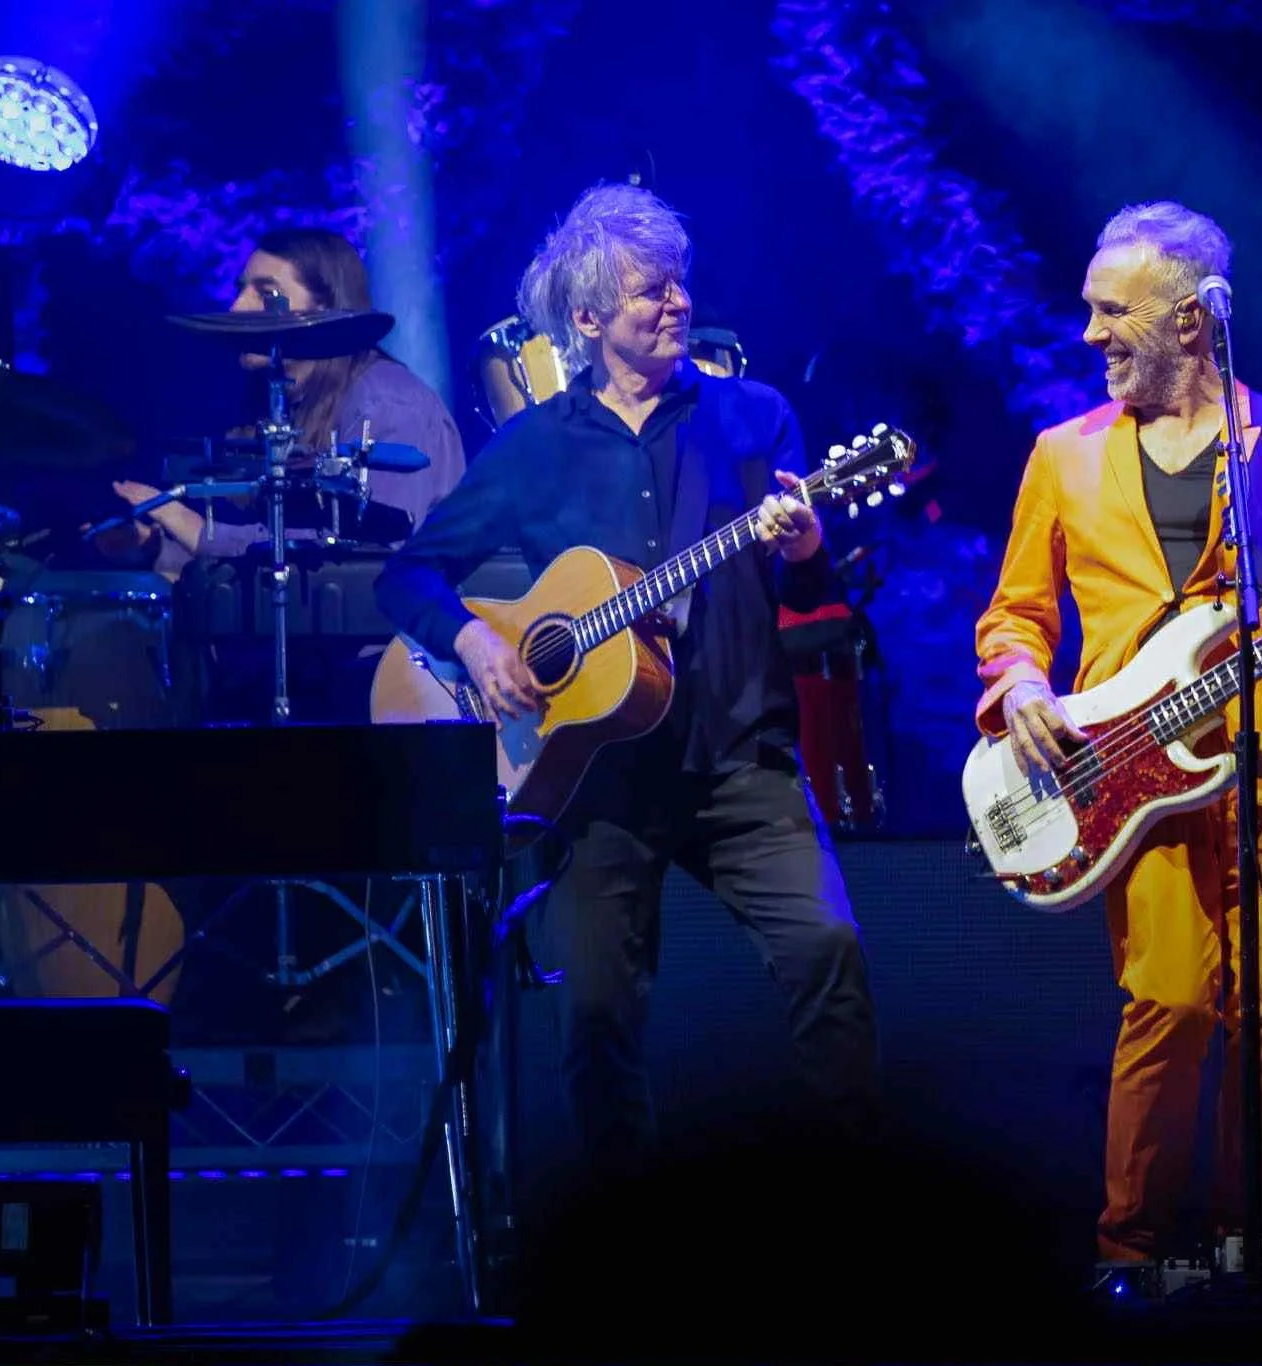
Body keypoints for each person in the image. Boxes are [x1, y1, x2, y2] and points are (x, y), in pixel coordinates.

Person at [372, 182, 883, 1175]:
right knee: (595, 1018)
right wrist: (476, 644)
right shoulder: (532, 449)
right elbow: (409, 576)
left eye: (679, 282)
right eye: (652, 290)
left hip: (741, 759)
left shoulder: (754, 416)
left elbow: (808, 592)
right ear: (587, 319)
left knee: (828, 952)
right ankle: (626, 1244)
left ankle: (860, 1208)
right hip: (593, 783)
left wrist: (807, 544)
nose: (677, 302)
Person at [972, 201, 1262, 1267]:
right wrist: (1021, 687)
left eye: (1113, 312)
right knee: (1167, 1004)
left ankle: (1248, 1247)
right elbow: (1015, 616)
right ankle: (1131, 1255)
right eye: (1090, 310)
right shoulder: (1060, 456)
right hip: (1131, 774)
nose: (1090, 333)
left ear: (1192, 320)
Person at [97, 226, 466, 574]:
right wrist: (157, 551)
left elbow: (367, 557)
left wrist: (192, 527)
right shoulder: (282, 402)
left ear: (323, 309)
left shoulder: (385, 401)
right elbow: (274, 564)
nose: (237, 308)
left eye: (266, 294)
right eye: (241, 290)